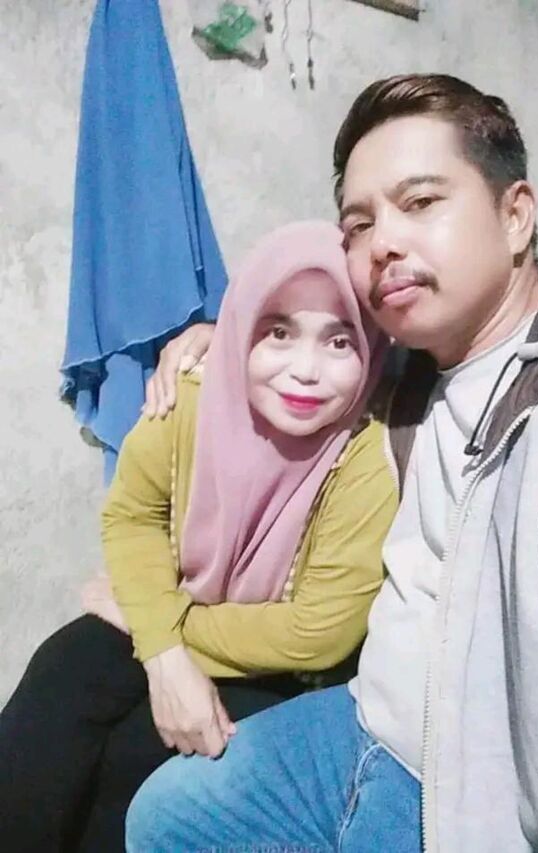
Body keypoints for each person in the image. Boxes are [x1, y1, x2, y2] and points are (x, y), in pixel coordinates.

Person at [126, 74, 538, 853]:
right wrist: (222, 341)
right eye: (359, 224)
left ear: (515, 215)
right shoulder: (411, 367)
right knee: (163, 815)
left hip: (475, 795)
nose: (383, 243)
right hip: (363, 719)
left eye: (421, 202)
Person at [0, 221, 397, 853]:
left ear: (372, 347)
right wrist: (163, 652)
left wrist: (157, 626)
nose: (305, 370)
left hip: (282, 668)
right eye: (278, 332)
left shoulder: (366, 454)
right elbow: (134, 517)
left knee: (141, 756)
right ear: (241, 328)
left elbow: (317, 632)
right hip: (167, 614)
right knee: (61, 678)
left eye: (339, 340)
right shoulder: (191, 396)